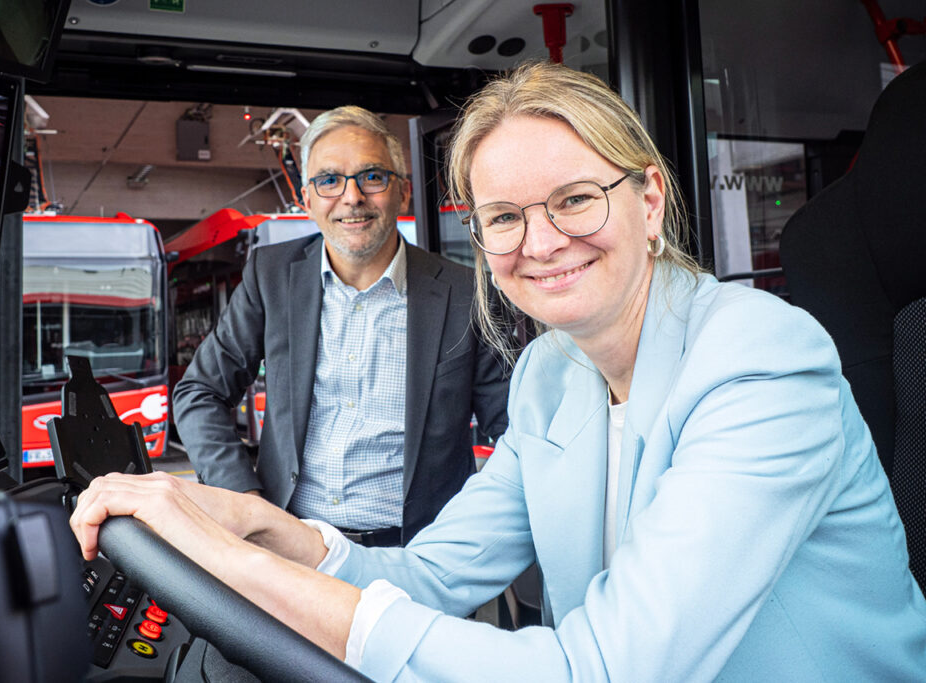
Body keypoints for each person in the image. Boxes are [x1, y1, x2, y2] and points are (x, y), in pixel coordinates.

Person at [73, 63, 926, 680]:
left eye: (575, 199)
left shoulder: (761, 360)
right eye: (505, 217)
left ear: (650, 199)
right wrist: (245, 522)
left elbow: (602, 670)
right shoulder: (551, 373)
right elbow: (426, 574)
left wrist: (232, 567)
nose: (542, 242)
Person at [172, 105, 510, 546]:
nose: (352, 197)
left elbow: (511, 431)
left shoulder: (467, 293)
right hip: (290, 548)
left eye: (372, 176)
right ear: (308, 200)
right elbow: (200, 392)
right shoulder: (270, 275)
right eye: (329, 180)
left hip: (418, 555)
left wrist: (473, 532)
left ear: (403, 193)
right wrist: (245, 501)